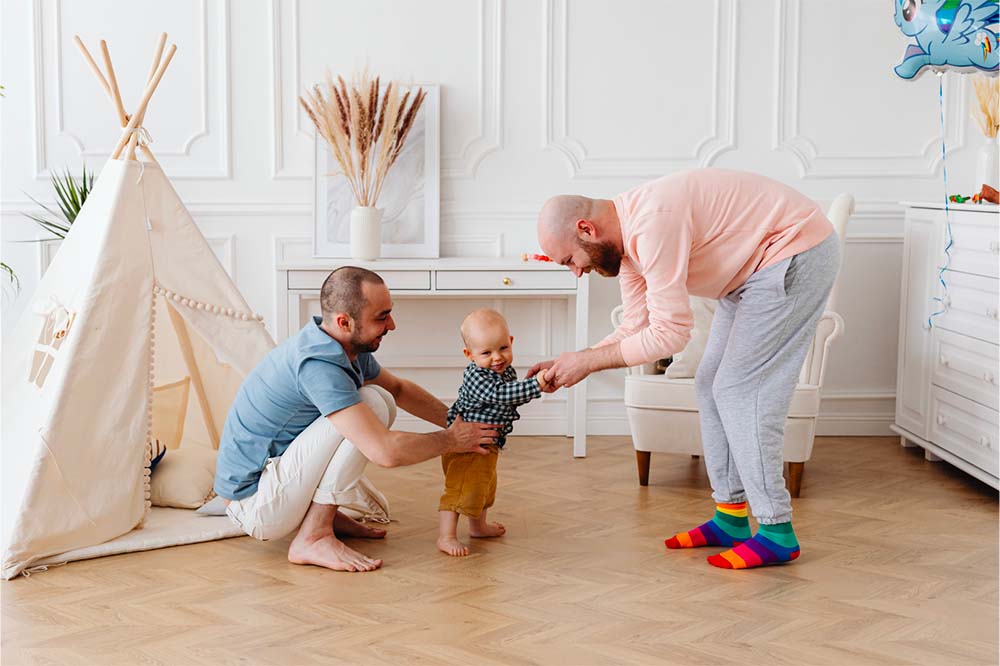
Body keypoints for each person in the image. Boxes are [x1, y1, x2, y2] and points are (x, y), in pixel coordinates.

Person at [530, 168, 840, 570]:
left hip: (794, 252)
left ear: (586, 229)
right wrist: (574, 360)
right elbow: (635, 325)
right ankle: (730, 518)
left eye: (570, 260)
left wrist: (588, 362)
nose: (576, 271)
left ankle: (777, 532)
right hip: (749, 273)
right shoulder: (626, 246)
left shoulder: (651, 223)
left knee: (740, 389)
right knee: (711, 383)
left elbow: (670, 334)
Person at [214, 267, 500, 573]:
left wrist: (464, 421)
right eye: (381, 316)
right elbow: (385, 452)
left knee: (381, 397)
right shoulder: (319, 365)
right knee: (373, 402)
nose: (392, 324)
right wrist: (454, 440)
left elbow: (400, 389)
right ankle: (313, 535)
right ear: (344, 321)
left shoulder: (342, 343)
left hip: (270, 485)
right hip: (257, 506)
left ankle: (319, 516)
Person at [436, 309, 551, 556]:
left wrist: (533, 386)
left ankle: (478, 526)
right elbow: (500, 395)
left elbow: (511, 398)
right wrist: (535, 385)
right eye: (486, 353)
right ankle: (446, 536)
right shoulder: (477, 376)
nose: (497, 357)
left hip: (488, 443)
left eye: (502, 348)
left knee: (484, 486)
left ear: (511, 342)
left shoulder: (503, 370)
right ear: (469, 355)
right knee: (460, 488)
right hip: (467, 445)